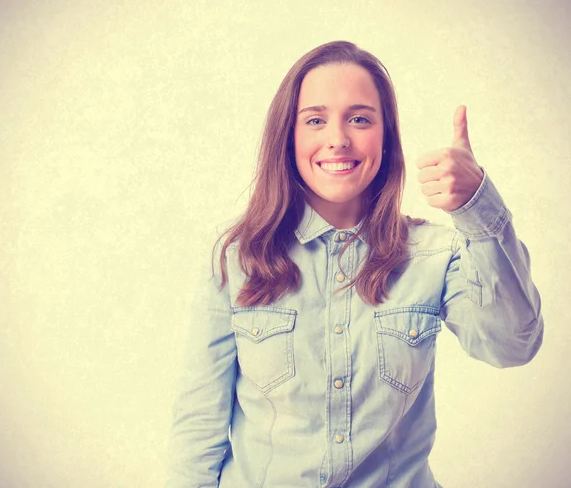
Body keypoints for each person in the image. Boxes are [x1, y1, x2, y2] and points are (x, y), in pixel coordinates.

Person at [167, 40, 543, 487]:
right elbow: (198, 427)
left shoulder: (434, 253)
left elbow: (512, 345)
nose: (338, 139)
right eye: (316, 120)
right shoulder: (236, 255)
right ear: (289, 136)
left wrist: (478, 208)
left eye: (360, 119)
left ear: (386, 137)